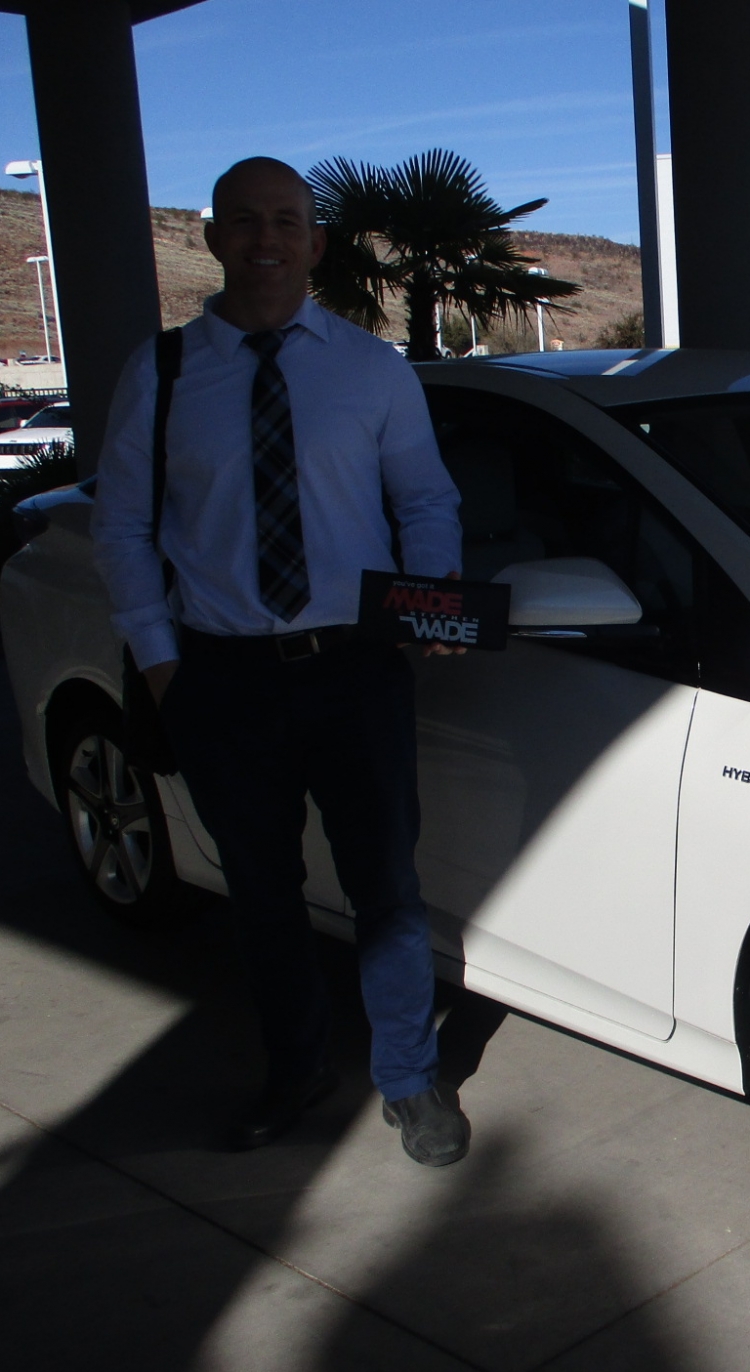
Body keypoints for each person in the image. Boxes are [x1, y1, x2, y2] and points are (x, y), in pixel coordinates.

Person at [91, 155, 470, 1166]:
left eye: (287, 221)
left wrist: (428, 599)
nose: (267, 239)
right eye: (246, 220)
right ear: (214, 237)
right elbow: (121, 528)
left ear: (315, 243)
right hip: (220, 679)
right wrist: (163, 666)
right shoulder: (161, 373)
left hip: (354, 671)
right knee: (260, 893)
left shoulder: (371, 370)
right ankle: (295, 1069)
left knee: (385, 888)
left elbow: (425, 500)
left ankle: (408, 1080)